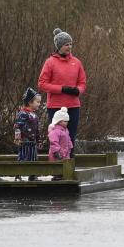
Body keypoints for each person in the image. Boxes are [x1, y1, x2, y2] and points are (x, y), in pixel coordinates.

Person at [37, 27, 86, 155]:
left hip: (73, 106)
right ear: (59, 46)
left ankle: (70, 166)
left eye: (70, 44)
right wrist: (62, 89)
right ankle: (57, 169)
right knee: (56, 138)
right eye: (66, 44)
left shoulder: (77, 62)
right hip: (55, 106)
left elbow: (82, 83)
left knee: (70, 138)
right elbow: (42, 84)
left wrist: (78, 91)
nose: (69, 47)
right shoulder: (50, 62)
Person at [14, 89, 42, 180]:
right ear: (30, 102)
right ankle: (18, 175)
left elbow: (37, 130)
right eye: (37, 102)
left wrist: (39, 140)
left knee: (33, 158)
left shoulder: (35, 116)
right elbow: (17, 126)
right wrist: (17, 138)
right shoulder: (23, 114)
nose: (39, 104)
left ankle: (33, 175)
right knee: (23, 157)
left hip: (32, 141)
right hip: (24, 140)